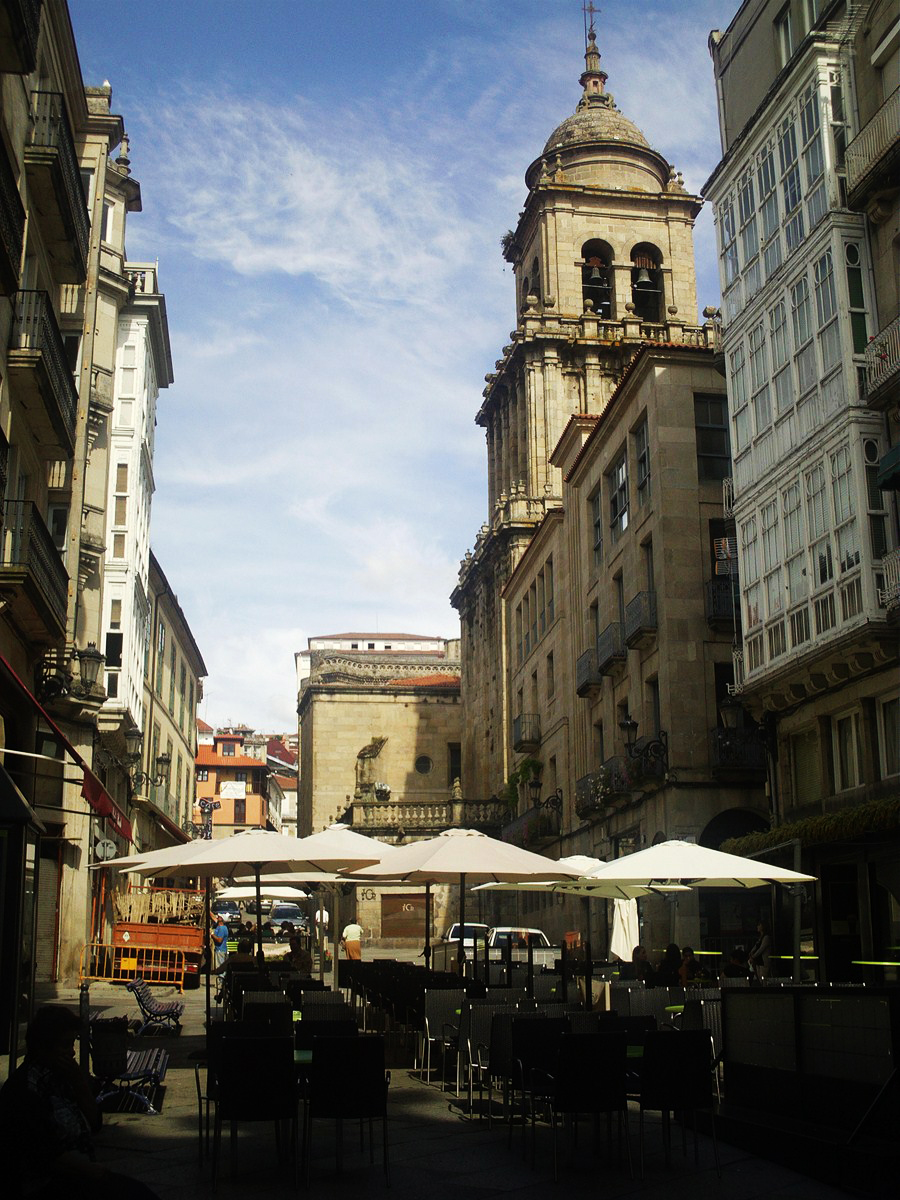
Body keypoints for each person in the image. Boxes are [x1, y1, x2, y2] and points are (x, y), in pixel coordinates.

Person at [0, 1006, 162, 1200]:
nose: (71, 1053)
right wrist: (91, 1171)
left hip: (80, 1174)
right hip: (50, 1185)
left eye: (72, 1045)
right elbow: (43, 1154)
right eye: (64, 1045)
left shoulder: (62, 1077)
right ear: (44, 1045)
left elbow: (94, 1123)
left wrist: (79, 1083)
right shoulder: (25, 1089)